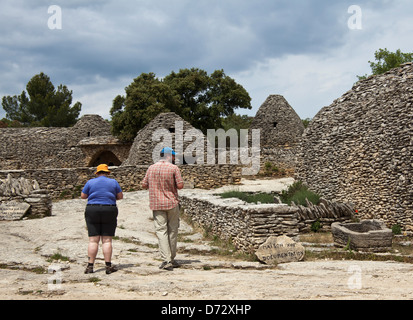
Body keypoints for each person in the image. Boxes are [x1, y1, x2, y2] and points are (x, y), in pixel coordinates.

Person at [141, 147, 184, 271]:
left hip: (157, 204)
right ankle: (171, 258)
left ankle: (166, 259)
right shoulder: (173, 168)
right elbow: (180, 185)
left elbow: (144, 184)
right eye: (174, 156)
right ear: (169, 156)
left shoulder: (151, 168)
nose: (174, 158)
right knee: (173, 230)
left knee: (161, 231)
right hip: (171, 203)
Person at [81, 164, 123, 274]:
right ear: (107, 173)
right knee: (107, 240)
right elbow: (120, 196)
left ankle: (90, 266)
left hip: (92, 209)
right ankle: (108, 266)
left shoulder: (90, 182)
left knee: (93, 240)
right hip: (109, 209)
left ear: (97, 173)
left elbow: (83, 196)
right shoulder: (113, 182)